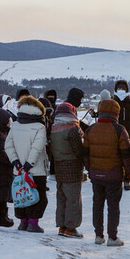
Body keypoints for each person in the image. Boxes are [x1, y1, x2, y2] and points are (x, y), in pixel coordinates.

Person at [83, 98, 130, 246]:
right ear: (116, 113)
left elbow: (85, 154)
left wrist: (90, 169)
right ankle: (112, 237)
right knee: (113, 206)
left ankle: (98, 235)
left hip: (96, 174)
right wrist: (128, 173)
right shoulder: (119, 130)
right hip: (114, 175)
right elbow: (126, 154)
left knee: (97, 204)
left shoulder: (90, 130)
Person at [5, 95, 49, 233]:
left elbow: (8, 145)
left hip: (18, 170)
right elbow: (38, 147)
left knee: (21, 195)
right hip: (36, 170)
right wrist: (29, 164)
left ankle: (22, 222)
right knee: (37, 196)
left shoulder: (15, 125)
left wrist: (16, 163)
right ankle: (33, 223)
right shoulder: (39, 127)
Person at [50, 102, 86, 238]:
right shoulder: (72, 129)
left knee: (62, 198)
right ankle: (71, 227)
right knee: (73, 199)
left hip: (59, 167)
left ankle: (62, 226)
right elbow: (78, 150)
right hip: (72, 168)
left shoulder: (54, 129)